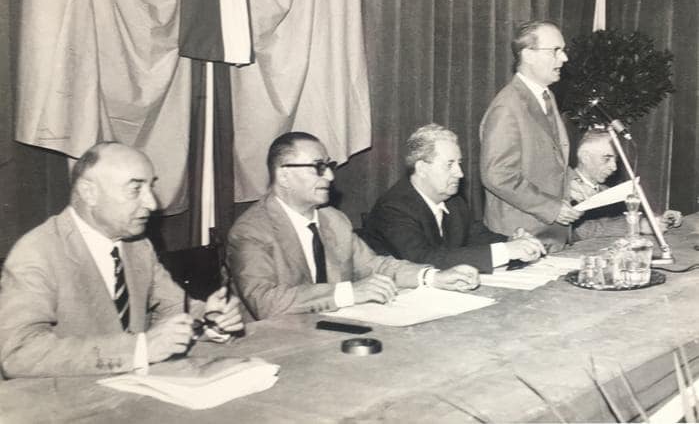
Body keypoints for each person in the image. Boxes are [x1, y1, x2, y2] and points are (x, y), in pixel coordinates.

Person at [0, 142, 244, 379]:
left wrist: (211, 318)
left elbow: (175, 308)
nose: (152, 204)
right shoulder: (36, 252)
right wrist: (139, 349)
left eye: (150, 188)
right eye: (135, 190)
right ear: (89, 192)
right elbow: (18, 353)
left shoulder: (137, 245)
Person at [225, 132, 481, 321]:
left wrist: (433, 277)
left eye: (329, 166)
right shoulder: (251, 230)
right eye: (318, 167)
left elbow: (375, 265)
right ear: (284, 175)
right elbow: (266, 303)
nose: (330, 176)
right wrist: (349, 293)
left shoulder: (333, 220)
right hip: (273, 345)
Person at [362, 124, 546, 273]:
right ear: (422, 168)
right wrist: (505, 251)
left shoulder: (453, 200)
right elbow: (423, 259)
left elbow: (476, 236)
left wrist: (512, 242)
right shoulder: (393, 208)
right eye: (449, 164)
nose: (459, 173)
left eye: (459, 163)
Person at [479, 19, 582, 252]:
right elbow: (497, 175)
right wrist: (551, 208)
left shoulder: (546, 96)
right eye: (555, 50)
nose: (564, 58)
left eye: (563, 50)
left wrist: (573, 181)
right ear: (528, 55)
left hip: (548, 234)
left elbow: (548, 158)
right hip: (522, 236)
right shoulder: (507, 106)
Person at [570, 130, 682, 240]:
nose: (614, 167)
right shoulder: (565, 186)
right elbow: (579, 230)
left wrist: (660, 219)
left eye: (615, 160)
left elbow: (625, 216)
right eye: (607, 158)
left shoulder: (604, 190)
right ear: (585, 157)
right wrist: (638, 226)